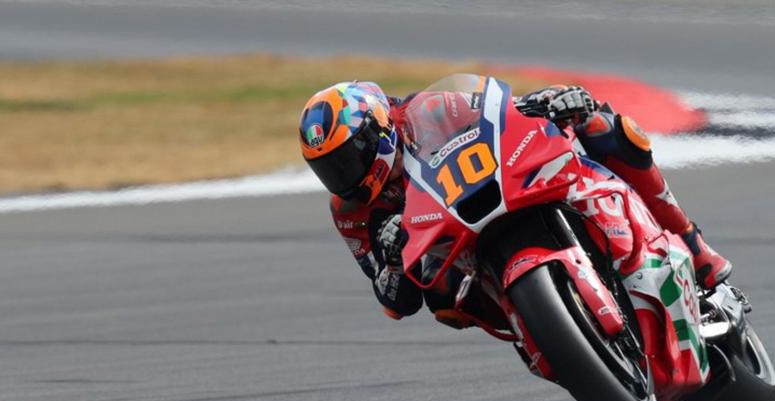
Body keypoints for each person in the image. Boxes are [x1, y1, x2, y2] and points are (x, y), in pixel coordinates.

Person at [298, 80, 732, 322]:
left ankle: (692, 244)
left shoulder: (429, 110)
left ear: (378, 130)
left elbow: (499, 111)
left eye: (348, 157)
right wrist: (394, 260)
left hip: (504, 187)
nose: (344, 175)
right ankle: (541, 329)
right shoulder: (351, 213)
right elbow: (393, 303)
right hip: (464, 257)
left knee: (605, 127)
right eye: (330, 168)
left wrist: (550, 100)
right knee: (444, 303)